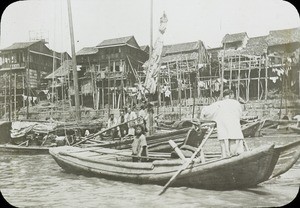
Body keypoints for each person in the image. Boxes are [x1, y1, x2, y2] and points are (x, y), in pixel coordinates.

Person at [200, 89, 245, 158]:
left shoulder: (219, 104)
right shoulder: (237, 104)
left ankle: (225, 159)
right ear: (232, 95)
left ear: (223, 97)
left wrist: (205, 118)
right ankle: (234, 159)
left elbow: (205, 111)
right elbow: (240, 114)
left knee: (224, 149)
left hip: (224, 130)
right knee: (235, 147)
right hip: (235, 130)